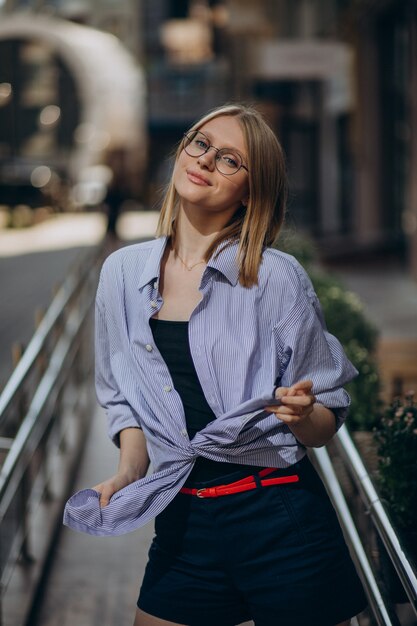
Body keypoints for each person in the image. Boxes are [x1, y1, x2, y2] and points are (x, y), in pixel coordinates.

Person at [64, 103, 367, 626]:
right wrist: (129, 472)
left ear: (252, 191)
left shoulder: (276, 278)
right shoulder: (122, 272)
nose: (205, 160)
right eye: (200, 143)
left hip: (278, 515)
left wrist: (304, 413)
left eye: (231, 159)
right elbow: (120, 398)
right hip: (183, 518)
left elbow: (324, 422)